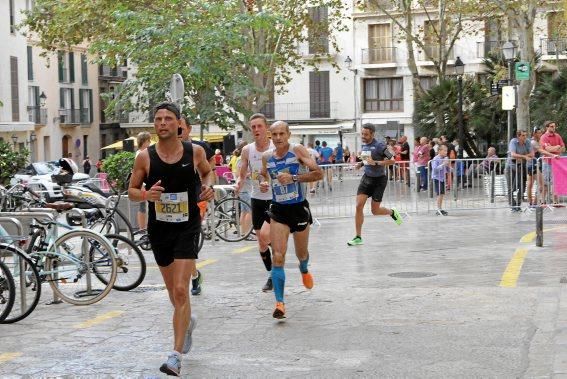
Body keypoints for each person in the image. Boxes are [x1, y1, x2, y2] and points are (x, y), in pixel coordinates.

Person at [128, 102, 214, 376]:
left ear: (179, 124)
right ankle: (186, 321)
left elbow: (207, 173)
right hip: (160, 229)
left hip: (187, 227)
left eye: (168, 118)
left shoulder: (195, 151)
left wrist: (208, 188)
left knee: (180, 289)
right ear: (154, 125)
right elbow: (130, 190)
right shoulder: (144, 157)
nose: (162, 123)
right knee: (173, 294)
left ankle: (175, 355)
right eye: (158, 119)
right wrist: (145, 195)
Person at [258, 121, 323, 319]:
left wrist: (294, 178)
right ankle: (280, 304)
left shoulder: (297, 151)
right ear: (270, 135)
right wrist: (263, 183)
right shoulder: (267, 157)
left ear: (288, 134)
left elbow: (318, 173)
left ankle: (304, 268)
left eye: (281, 134)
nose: (278, 138)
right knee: (278, 256)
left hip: (299, 209)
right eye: (274, 134)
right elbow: (263, 175)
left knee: (301, 254)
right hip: (278, 210)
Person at [235, 113, 275, 292]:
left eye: (260, 126)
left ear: (267, 128)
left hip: (275, 199)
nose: (257, 130)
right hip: (257, 198)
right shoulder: (247, 150)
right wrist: (238, 183)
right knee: (261, 241)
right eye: (253, 127)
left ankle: (278, 265)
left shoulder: (276, 147)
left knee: (266, 235)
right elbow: (243, 173)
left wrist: (271, 182)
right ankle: (272, 274)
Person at [347, 124, 403, 246]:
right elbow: (367, 159)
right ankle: (358, 237)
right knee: (358, 206)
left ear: (372, 134)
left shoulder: (380, 146)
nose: (363, 136)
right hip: (366, 179)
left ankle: (392, 213)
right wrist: (361, 164)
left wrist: (376, 162)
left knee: (375, 211)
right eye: (362, 134)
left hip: (379, 180)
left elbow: (393, 159)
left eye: (366, 134)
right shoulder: (364, 145)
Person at [179, 117, 216, 296]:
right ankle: (194, 275)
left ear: (189, 129)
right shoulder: (163, 151)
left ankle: (187, 282)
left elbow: (210, 170)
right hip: (174, 206)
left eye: (181, 128)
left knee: (187, 242)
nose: (177, 131)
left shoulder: (199, 149)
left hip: (197, 201)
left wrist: (208, 186)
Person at [505, 130, 533, 212]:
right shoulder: (513, 142)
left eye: (525, 135)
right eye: (523, 135)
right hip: (511, 167)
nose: (525, 137)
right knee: (511, 187)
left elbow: (532, 154)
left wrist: (520, 157)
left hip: (521, 167)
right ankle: (512, 206)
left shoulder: (527, 141)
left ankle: (518, 205)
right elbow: (513, 155)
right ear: (518, 136)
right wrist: (525, 157)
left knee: (522, 186)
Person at [539, 120, 565, 204]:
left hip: (557, 163)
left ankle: (555, 201)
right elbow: (546, 149)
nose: (554, 128)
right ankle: (543, 201)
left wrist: (554, 148)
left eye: (554, 126)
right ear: (547, 127)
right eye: (551, 126)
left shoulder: (557, 136)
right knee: (546, 183)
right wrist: (557, 147)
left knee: (556, 182)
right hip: (547, 162)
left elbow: (563, 148)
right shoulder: (543, 137)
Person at [135, 132, 152, 230]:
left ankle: (144, 228)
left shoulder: (143, 153)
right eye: (148, 141)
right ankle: (142, 228)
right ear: (144, 141)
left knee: (144, 206)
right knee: (142, 207)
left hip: (145, 183)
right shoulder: (140, 154)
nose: (149, 143)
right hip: (143, 184)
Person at [431, 144, 452, 215]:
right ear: (439, 151)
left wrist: (449, 167)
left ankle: (440, 208)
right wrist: (443, 164)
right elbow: (435, 170)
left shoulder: (445, 158)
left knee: (442, 194)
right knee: (439, 194)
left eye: (447, 151)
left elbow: (447, 169)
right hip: (437, 178)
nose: (446, 152)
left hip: (442, 178)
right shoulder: (436, 158)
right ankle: (438, 209)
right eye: (445, 151)